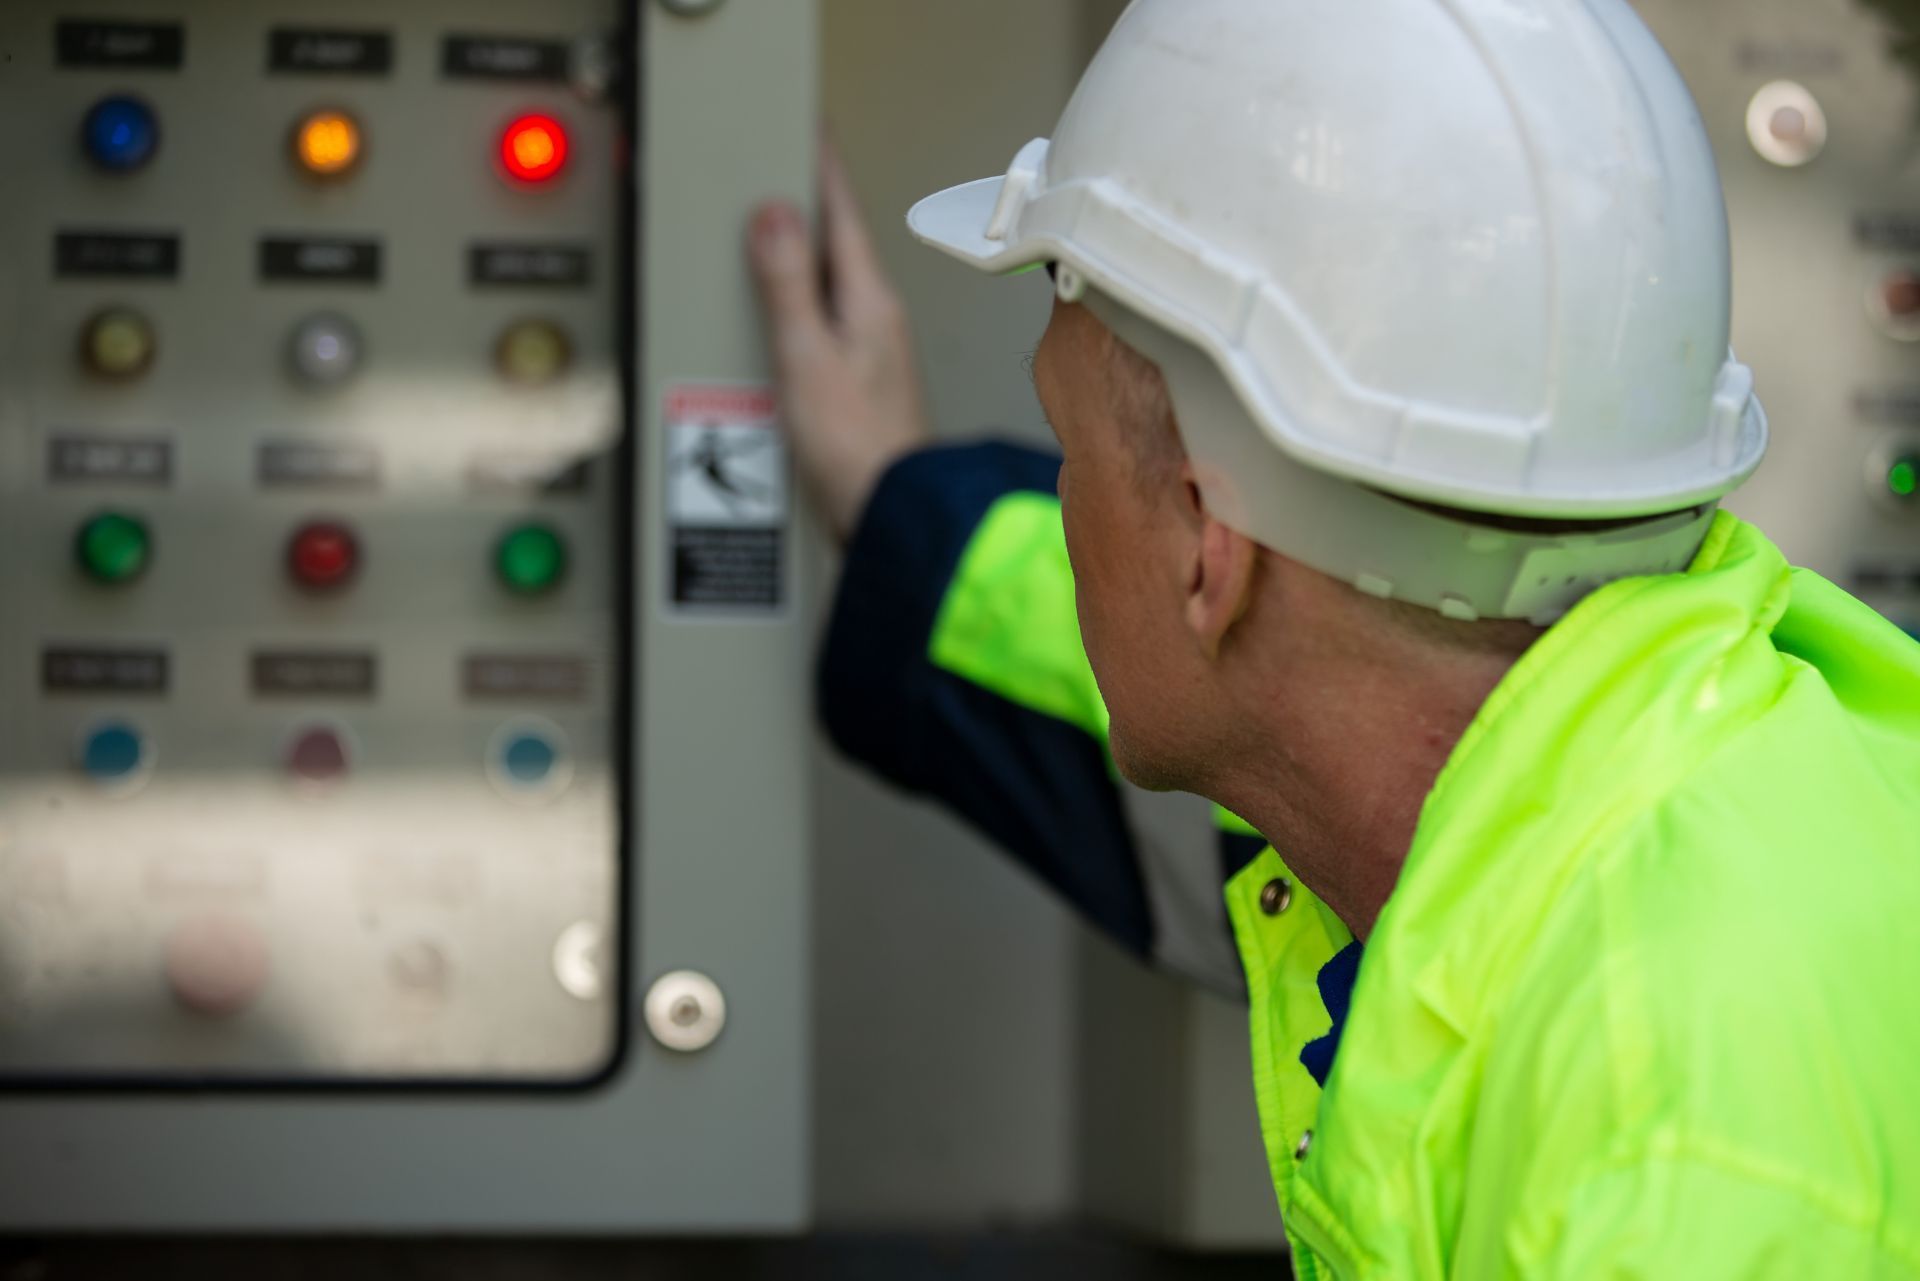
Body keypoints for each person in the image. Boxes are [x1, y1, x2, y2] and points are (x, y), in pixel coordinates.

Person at [750, 0, 1920, 1274]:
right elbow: (1254, 653)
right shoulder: (1704, 752)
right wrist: (895, 506)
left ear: (1209, 545)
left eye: (1067, 447)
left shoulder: (1665, 1173)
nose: (1064, 497)